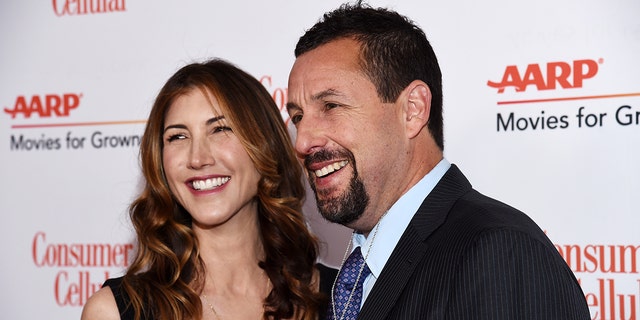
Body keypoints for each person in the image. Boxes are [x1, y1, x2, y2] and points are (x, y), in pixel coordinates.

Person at [286, 2, 591, 319]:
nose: (303, 141)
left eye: (331, 106)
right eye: (298, 117)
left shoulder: (498, 253)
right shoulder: (357, 268)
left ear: (413, 110)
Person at [81, 59, 336, 320]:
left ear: (266, 146)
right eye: (178, 136)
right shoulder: (115, 311)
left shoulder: (342, 297)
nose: (197, 158)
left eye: (220, 129)